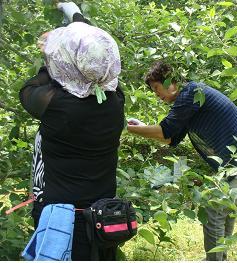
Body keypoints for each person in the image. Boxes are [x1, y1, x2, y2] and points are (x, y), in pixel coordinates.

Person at [127, 61, 237, 261]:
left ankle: (215, 260)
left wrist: (126, 127)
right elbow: (169, 137)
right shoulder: (187, 100)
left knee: (214, 210)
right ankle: (219, 258)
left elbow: (164, 130)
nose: (156, 95)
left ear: (170, 81)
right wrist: (140, 127)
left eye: (157, 88)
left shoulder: (191, 93)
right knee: (222, 212)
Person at [19, 3, 125, 260]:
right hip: (103, 216)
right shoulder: (114, 101)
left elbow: (27, 90)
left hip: (62, 219)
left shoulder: (56, 106)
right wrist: (75, 14)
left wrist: (49, 59)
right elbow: (93, 56)